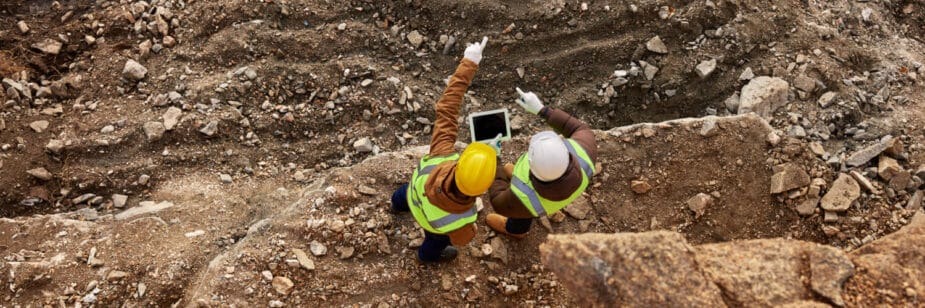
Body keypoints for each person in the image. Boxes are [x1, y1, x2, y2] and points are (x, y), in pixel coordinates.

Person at [390, 37, 497, 263]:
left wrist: (470, 61)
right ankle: (426, 257)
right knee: (435, 244)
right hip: (432, 226)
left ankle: (396, 205)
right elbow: (462, 238)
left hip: (414, 195)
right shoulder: (465, 216)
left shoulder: (442, 155)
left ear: (460, 162)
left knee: (402, 195)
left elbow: (447, 107)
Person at [486, 88, 598, 238]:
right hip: (561, 191)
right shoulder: (585, 154)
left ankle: (516, 230)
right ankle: (516, 180)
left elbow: (497, 200)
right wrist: (542, 110)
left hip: (529, 204)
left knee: (522, 215)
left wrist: (494, 159)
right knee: (525, 205)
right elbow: (579, 128)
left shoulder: (524, 198)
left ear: (530, 167)